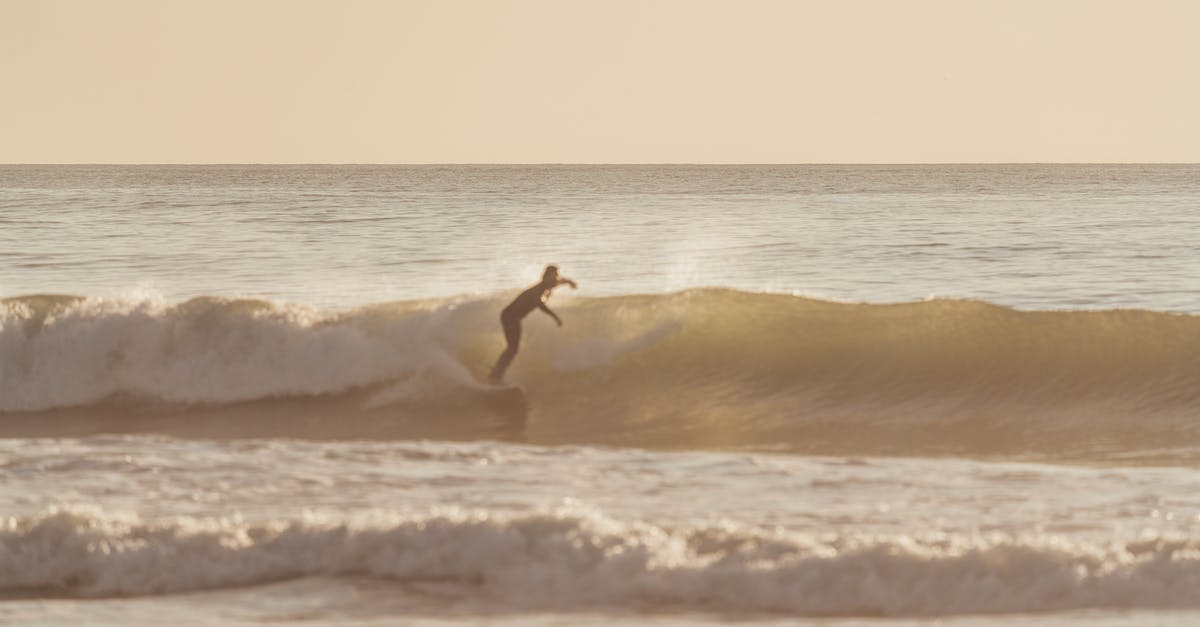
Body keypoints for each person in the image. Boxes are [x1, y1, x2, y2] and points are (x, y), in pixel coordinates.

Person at [488, 265, 577, 383]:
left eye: (557, 275)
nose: (556, 278)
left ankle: (497, 373)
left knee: (513, 348)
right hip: (510, 317)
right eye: (554, 275)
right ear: (546, 277)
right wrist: (555, 317)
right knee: (513, 348)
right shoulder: (538, 289)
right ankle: (496, 374)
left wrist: (570, 282)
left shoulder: (549, 285)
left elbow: (561, 281)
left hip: (514, 318)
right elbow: (539, 304)